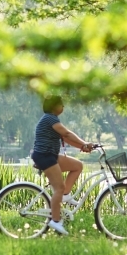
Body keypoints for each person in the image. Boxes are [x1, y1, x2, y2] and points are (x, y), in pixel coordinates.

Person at [31, 95, 96, 235]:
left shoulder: (52, 119)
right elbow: (66, 133)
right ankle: (55, 221)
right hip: (45, 156)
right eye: (61, 104)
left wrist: (82, 147)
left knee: (77, 166)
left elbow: (66, 137)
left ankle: (65, 195)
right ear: (54, 106)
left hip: (51, 155)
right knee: (58, 188)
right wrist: (85, 143)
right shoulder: (50, 118)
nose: (63, 107)